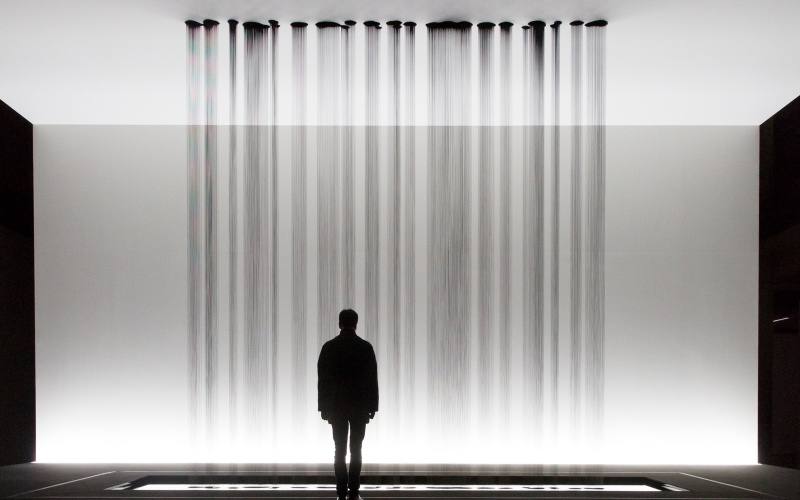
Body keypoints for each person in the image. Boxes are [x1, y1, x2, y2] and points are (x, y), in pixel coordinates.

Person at [318, 309, 379, 500]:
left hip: (337, 406)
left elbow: (323, 381)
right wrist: (373, 406)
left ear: (339, 324)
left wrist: (324, 407)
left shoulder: (329, 347)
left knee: (339, 449)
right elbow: (372, 380)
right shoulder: (365, 347)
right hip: (359, 406)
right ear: (356, 324)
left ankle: (341, 491)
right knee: (356, 450)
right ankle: (354, 491)